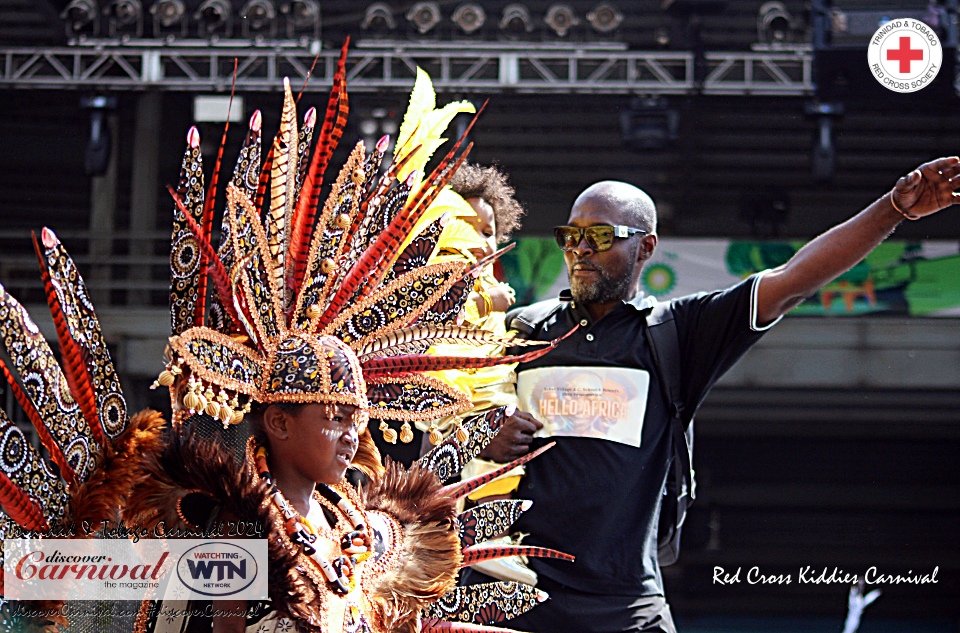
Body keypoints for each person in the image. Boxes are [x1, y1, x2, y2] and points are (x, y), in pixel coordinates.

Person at [474, 157, 960, 633]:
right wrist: (482, 436)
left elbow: (792, 282)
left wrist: (892, 209)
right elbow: (439, 420)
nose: (581, 248)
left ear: (646, 248)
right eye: (570, 235)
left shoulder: (676, 333)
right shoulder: (521, 330)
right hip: (514, 599)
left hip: (624, 607)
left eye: (601, 236)